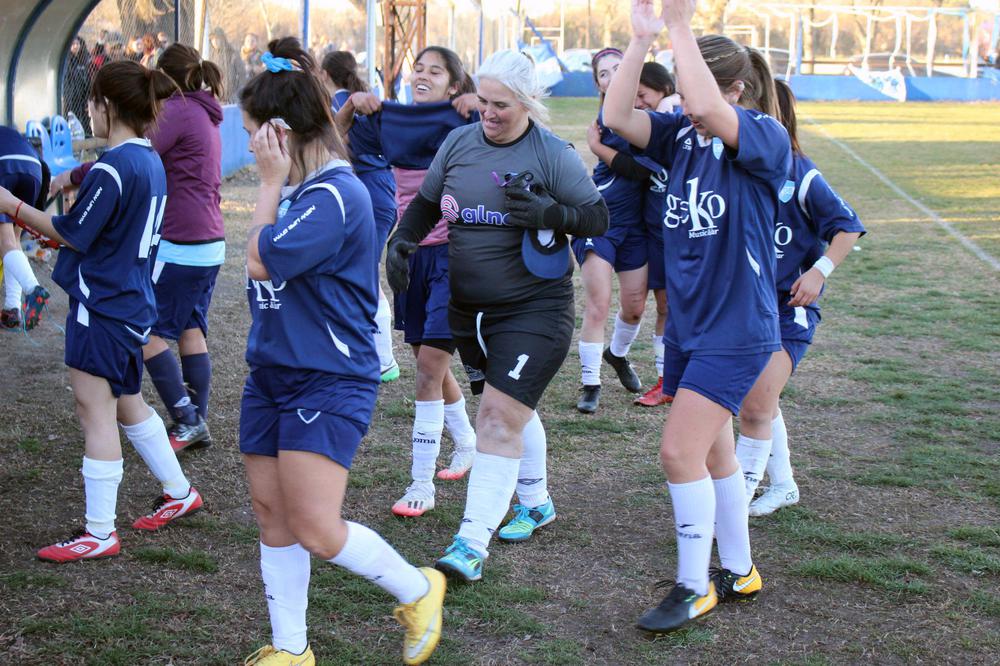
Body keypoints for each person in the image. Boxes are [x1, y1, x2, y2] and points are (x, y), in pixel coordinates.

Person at [237, 39, 445, 666]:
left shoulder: (335, 194)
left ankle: (418, 589)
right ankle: (292, 650)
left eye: (254, 134)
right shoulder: (305, 190)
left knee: (316, 527)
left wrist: (269, 184)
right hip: (273, 370)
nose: (250, 147)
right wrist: (277, 185)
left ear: (280, 134)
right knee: (273, 515)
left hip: (326, 378)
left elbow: (256, 259)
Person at [603, 0, 791, 633]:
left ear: (734, 88)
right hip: (689, 325)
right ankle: (738, 570)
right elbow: (614, 116)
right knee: (713, 457)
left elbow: (710, 109)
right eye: (677, 88)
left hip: (737, 328)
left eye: (689, 85)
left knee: (677, 453)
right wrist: (640, 40)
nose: (681, 100)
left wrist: (680, 27)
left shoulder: (761, 135)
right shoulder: (679, 134)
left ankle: (693, 585)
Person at [386, 49, 608, 581]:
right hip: (469, 311)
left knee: (495, 419)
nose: (486, 111)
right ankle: (536, 499)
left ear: (527, 102)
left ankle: (470, 543)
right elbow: (427, 201)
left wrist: (553, 213)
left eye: (500, 104)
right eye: (482, 100)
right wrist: (404, 240)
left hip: (534, 309)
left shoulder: (551, 153)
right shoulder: (459, 143)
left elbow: (597, 216)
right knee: (507, 408)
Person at [0, 60, 205, 562]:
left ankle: (99, 532)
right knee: (128, 402)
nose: (87, 112)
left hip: (105, 307)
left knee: (95, 411)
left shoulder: (115, 167)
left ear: (106, 106)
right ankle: (180, 493)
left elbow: (71, 233)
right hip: (130, 303)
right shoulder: (148, 160)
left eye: (90, 103)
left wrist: (10, 204)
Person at [52, 44, 227, 453]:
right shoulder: (205, 110)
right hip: (210, 241)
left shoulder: (178, 111)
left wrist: (72, 176)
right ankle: (193, 420)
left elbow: (129, 151)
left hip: (181, 241)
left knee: (145, 331)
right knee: (190, 330)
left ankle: (187, 418)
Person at [334, 46, 481, 517]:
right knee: (426, 359)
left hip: (457, 256)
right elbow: (330, 150)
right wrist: (350, 106)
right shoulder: (389, 119)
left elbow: (515, 135)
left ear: (453, 86)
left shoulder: (470, 120)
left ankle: (421, 483)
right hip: (410, 254)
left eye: (435, 71)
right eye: (418, 69)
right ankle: (466, 441)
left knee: (427, 369)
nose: (422, 76)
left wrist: (480, 105)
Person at [736, 79, 865, 516]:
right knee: (757, 399)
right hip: (743, 306)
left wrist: (817, 270)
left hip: (788, 309)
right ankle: (784, 483)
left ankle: (733, 500)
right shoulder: (733, 170)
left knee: (755, 404)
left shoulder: (799, 171)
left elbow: (847, 226)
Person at [574, 48, 649, 414]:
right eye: (605, 73)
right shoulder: (611, 117)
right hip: (600, 219)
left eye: (620, 68)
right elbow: (639, 171)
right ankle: (590, 383)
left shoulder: (645, 111)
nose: (613, 76)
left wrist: (596, 147)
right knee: (598, 304)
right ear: (599, 84)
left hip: (635, 225)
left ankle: (616, 355)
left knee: (634, 309)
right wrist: (598, 145)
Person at [319, 50, 400, 384]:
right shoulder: (351, 102)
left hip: (370, 195)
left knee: (365, 272)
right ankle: (367, 351)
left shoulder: (341, 106)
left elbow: (334, 146)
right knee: (357, 270)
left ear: (325, 74)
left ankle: (383, 358)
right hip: (375, 192)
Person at [630, 62, 678, 407]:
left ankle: (685, 377)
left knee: (686, 308)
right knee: (664, 306)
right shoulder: (644, 129)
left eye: (643, 95)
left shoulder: (686, 125)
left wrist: (670, 106)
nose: (638, 102)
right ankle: (666, 380)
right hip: (657, 234)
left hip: (691, 236)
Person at [0, 127, 49, 330]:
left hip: (4, 167)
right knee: (14, 241)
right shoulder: (7, 130)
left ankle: (33, 288)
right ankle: (12, 309)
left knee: (5, 241)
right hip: (34, 168)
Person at [65, 36, 94, 135]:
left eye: (77, 44)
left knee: (84, 117)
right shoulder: (67, 60)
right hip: (72, 94)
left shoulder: (84, 58)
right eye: (73, 44)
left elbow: (87, 77)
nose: (76, 46)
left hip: (82, 93)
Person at [209, 28, 244, 103]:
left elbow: (242, 74)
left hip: (232, 95)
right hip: (216, 95)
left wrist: (237, 92)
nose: (215, 41)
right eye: (212, 39)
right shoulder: (211, 55)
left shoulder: (232, 53)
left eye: (217, 39)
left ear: (223, 39)